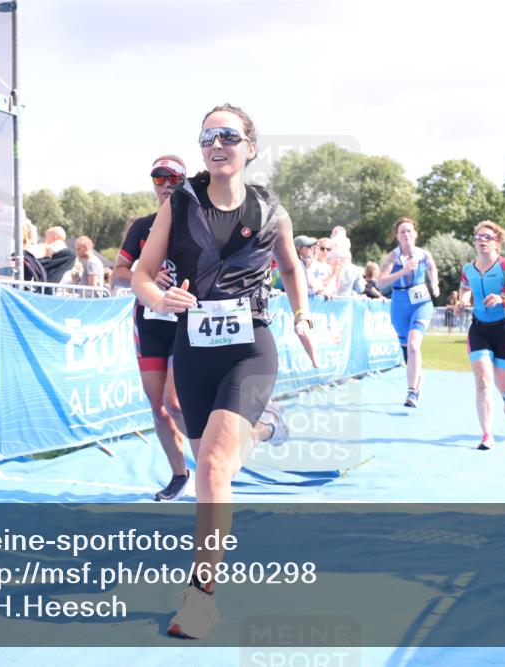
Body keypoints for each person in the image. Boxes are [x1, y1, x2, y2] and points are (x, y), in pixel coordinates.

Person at [132, 103, 316, 639]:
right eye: (208, 136)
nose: (217, 144)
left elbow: (290, 268)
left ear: (250, 147)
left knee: (212, 467)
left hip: (250, 348)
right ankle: (263, 427)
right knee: (217, 466)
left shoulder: (272, 211)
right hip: (193, 347)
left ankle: (201, 596)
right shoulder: (181, 203)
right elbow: (142, 273)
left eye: (228, 136)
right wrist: (160, 298)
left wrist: (302, 317)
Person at [112, 156, 193, 501]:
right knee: (159, 408)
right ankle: (179, 475)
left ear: (184, 183)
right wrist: (144, 277)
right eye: (159, 179)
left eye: (173, 179)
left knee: (176, 404)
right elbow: (117, 275)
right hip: (149, 323)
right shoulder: (142, 227)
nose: (166, 186)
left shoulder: (196, 224)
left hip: (185, 322)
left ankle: (215, 461)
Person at [458, 221, 505, 451]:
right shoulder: (468, 269)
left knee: (504, 385)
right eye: (478, 237)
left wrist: (504, 298)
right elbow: (465, 287)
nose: (482, 240)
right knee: (482, 381)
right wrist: (462, 301)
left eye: (487, 237)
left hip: (504, 331)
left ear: (497, 242)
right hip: (478, 329)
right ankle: (487, 434)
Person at [376, 217, 438, 408]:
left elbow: (432, 268)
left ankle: (412, 392)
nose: (406, 234)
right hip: (399, 304)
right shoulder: (392, 257)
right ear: (397, 236)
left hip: (421, 304)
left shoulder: (424, 254)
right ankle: (416, 375)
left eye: (409, 230)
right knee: (406, 349)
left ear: (415, 234)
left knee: (413, 345)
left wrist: (434, 284)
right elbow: (380, 283)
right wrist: (402, 271)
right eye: (402, 231)